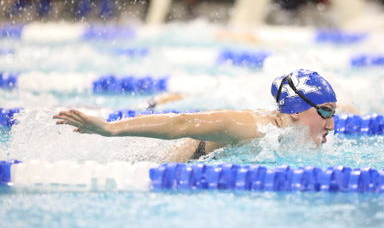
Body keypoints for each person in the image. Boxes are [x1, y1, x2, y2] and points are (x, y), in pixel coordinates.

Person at [53, 69, 337, 163]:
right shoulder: (255, 128)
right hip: (176, 160)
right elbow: (182, 123)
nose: (331, 124)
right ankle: (163, 98)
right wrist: (109, 128)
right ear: (296, 111)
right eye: (326, 111)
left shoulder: (289, 131)